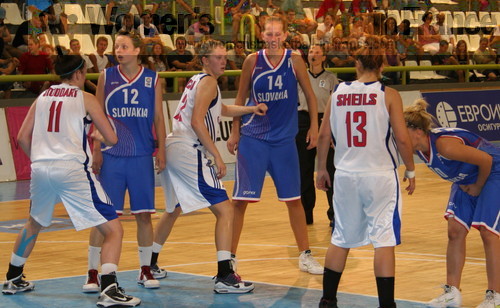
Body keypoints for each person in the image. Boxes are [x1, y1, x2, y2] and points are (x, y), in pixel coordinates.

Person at [1, 54, 141, 307]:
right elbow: (112, 139)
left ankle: (13, 277)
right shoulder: (85, 98)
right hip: (71, 169)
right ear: (77, 74)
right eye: (84, 72)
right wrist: (99, 135)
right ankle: (109, 288)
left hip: (41, 168)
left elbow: (22, 137)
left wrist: (42, 159)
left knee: (33, 223)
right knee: (113, 229)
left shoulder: (43, 97)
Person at [151, 39, 267, 293]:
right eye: (217, 57)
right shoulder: (209, 82)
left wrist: (250, 109)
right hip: (188, 149)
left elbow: (221, 109)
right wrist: (215, 154)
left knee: (172, 209)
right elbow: (196, 121)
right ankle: (225, 275)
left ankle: (147, 265)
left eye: (224, 57)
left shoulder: (197, 80)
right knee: (226, 211)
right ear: (204, 60)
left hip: (174, 146)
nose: (223, 61)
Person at [316, 36, 416, 308]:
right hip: (380, 174)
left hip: (346, 173)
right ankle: (386, 305)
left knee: (341, 238)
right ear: (382, 64)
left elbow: (324, 136)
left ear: (356, 63)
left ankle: (327, 300)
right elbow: (403, 139)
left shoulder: (337, 91)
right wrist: (410, 170)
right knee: (383, 239)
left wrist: (321, 168)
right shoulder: (389, 95)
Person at [227, 16, 323, 275]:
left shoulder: (294, 60)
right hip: (254, 139)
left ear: (284, 35)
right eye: (268, 33)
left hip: (284, 142)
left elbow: (311, 96)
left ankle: (305, 255)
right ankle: (230, 259)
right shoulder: (252, 60)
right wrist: (235, 131)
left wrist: (314, 126)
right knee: (240, 202)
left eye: (277, 34)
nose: (272, 38)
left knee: (294, 199)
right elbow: (240, 97)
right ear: (262, 35)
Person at [82, 31, 167, 292]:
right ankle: (93, 273)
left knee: (144, 215)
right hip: (112, 156)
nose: (119, 50)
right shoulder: (106, 76)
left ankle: (144, 269)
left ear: (136, 50)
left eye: (124, 46)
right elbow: (97, 115)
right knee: (104, 217)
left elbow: (158, 119)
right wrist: (96, 148)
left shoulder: (152, 79)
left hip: (141, 155)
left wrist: (161, 149)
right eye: (117, 46)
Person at [403, 99, 499, 308]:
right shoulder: (418, 149)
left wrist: (478, 186)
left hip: (492, 172)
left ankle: (495, 295)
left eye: (401, 131)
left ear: (417, 131)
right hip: (469, 178)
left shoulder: (444, 145)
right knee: (455, 231)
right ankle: (452, 293)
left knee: (488, 232)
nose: (398, 137)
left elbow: (486, 161)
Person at [296, 44, 338, 226]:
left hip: (324, 121)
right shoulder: (299, 77)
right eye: (311, 51)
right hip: (303, 121)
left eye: (318, 52)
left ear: (323, 58)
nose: (314, 54)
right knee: (303, 170)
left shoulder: (331, 78)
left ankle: (334, 213)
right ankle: (306, 214)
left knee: (330, 169)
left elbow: (336, 105)